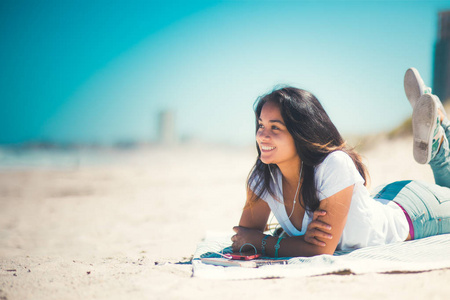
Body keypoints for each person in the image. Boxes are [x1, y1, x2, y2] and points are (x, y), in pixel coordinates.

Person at [231, 68, 450, 258]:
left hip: (415, 213)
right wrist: (284, 242)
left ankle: (440, 140)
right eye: (261, 125)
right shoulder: (265, 177)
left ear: (301, 132)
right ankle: (438, 137)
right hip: (383, 199)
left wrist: (264, 242)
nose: (262, 135)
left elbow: (319, 250)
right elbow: (243, 239)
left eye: (275, 127)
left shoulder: (333, 165)